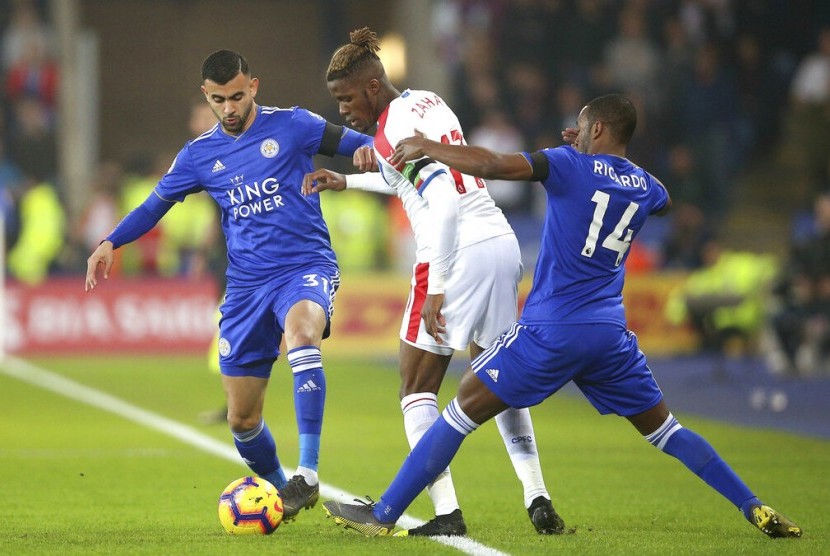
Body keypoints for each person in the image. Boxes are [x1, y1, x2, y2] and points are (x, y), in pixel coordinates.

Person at [322, 94, 803, 540]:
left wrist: (429, 146)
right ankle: (753, 505)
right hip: (610, 337)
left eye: (579, 127)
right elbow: (664, 202)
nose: (571, 133)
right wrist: (601, 158)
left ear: (594, 130)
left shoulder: (567, 164)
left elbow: (491, 164)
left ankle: (384, 514)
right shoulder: (647, 186)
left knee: (457, 409)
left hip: (552, 330)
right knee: (668, 431)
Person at [85, 49, 375, 521]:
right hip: (245, 289)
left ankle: (308, 471)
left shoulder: (295, 125)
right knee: (242, 420)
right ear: (207, 96)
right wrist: (109, 242)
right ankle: (285, 493)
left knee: (302, 334)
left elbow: (361, 143)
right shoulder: (199, 155)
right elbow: (155, 206)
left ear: (254, 86)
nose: (231, 108)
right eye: (220, 99)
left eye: (238, 96)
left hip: (304, 266)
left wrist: (369, 149)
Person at [303, 27, 561, 537]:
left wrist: (437, 285)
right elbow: (415, 177)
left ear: (372, 87)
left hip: (454, 252)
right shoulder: (427, 102)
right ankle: (538, 497)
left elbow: (440, 201)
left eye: (346, 98)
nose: (343, 111)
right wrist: (348, 179)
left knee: (415, 388)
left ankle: (446, 512)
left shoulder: (391, 128)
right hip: (498, 242)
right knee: (498, 378)